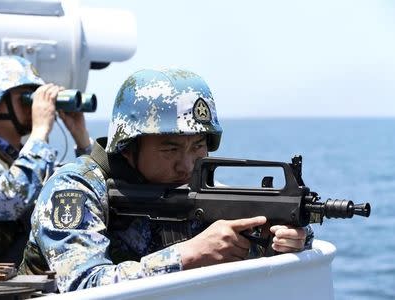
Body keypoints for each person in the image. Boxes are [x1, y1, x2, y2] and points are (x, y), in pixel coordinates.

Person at [20, 68, 313, 292]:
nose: (186, 165)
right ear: (128, 147)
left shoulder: (193, 189)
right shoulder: (75, 189)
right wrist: (188, 255)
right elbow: (84, 286)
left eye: (198, 146)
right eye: (169, 148)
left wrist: (284, 241)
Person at [0, 55, 92, 266]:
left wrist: (82, 140)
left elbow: (92, 195)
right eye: (26, 99)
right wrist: (39, 133)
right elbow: (10, 199)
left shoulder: (36, 162)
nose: (33, 106)